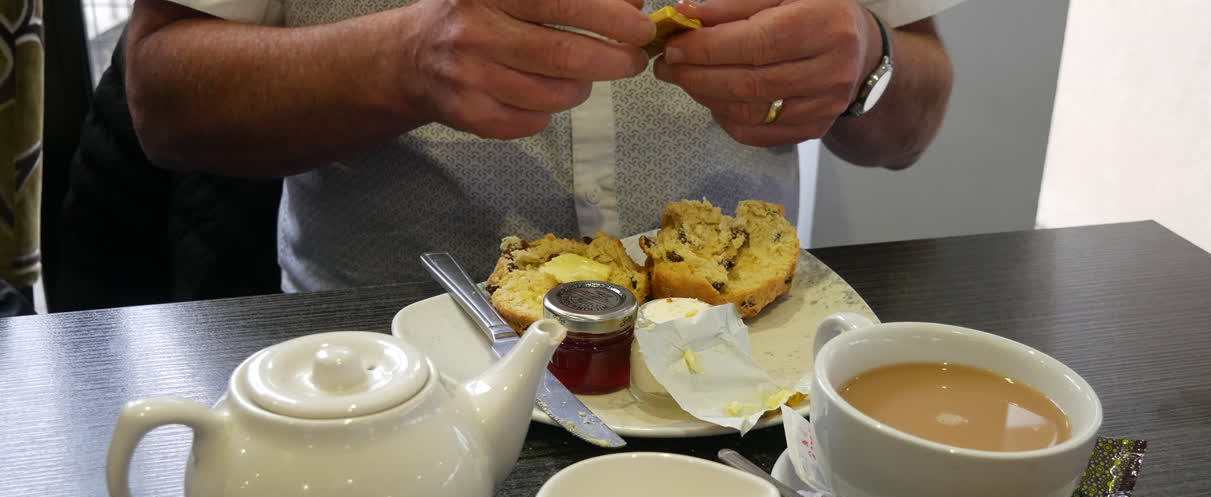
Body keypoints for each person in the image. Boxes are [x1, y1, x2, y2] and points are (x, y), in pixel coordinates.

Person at [125, 0, 959, 291]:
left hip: (741, 375)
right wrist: (405, 60)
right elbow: (161, 100)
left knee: (1093, 494)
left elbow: (913, 120)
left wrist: (866, 62)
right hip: (390, 377)